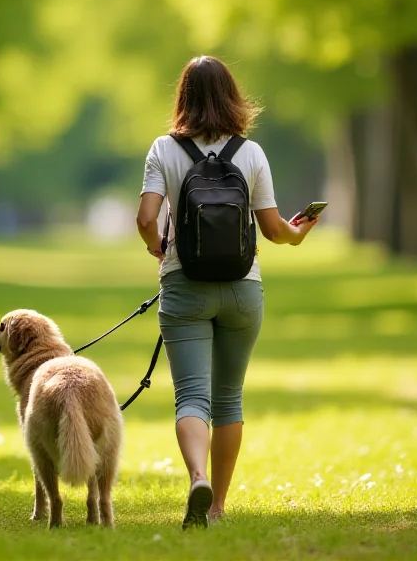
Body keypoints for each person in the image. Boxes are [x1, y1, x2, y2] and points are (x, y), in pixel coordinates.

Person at [136, 55, 317, 529]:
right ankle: (216, 508)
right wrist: (299, 233)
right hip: (243, 290)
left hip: (184, 285)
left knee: (191, 396)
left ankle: (198, 477)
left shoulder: (163, 149)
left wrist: (159, 249)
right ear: (232, 95)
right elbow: (274, 231)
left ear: (183, 97)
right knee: (229, 398)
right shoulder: (251, 154)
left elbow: (145, 219)